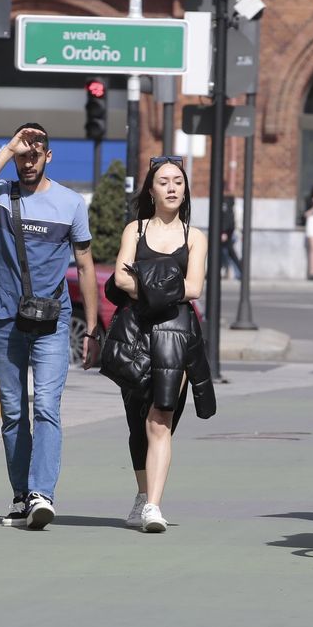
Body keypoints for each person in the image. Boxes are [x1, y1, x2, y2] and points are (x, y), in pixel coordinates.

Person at [0, 123, 100, 530]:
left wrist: (91, 327)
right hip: (4, 316)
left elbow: (86, 265)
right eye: (23, 155)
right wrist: (7, 148)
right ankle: (22, 494)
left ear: (48, 157)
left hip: (51, 319)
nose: (28, 161)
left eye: (35, 155)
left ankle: (42, 493)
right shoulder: (3, 195)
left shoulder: (71, 203)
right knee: (13, 410)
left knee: (46, 407)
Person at [110, 156, 210, 532]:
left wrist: (146, 287)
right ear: (150, 190)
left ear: (185, 192)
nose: (171, 187)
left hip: (177, 335)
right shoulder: (134, 231)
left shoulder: (193, 236)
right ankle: (142, 494)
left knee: (161, 418)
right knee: (137, 421)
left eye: (178, 182)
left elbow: (194, 287)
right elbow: (120, 278)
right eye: (164, 181)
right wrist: (167, 288)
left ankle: (153, 505)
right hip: (134, 334)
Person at [220, 194, 243, 279]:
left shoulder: (227, 205)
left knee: (230, 253)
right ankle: (237, 272)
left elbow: (229, 220)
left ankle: (239, 272)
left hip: (229, 233)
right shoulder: (230, 204)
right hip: (229, 232)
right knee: (225, 253)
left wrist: (225, 232)